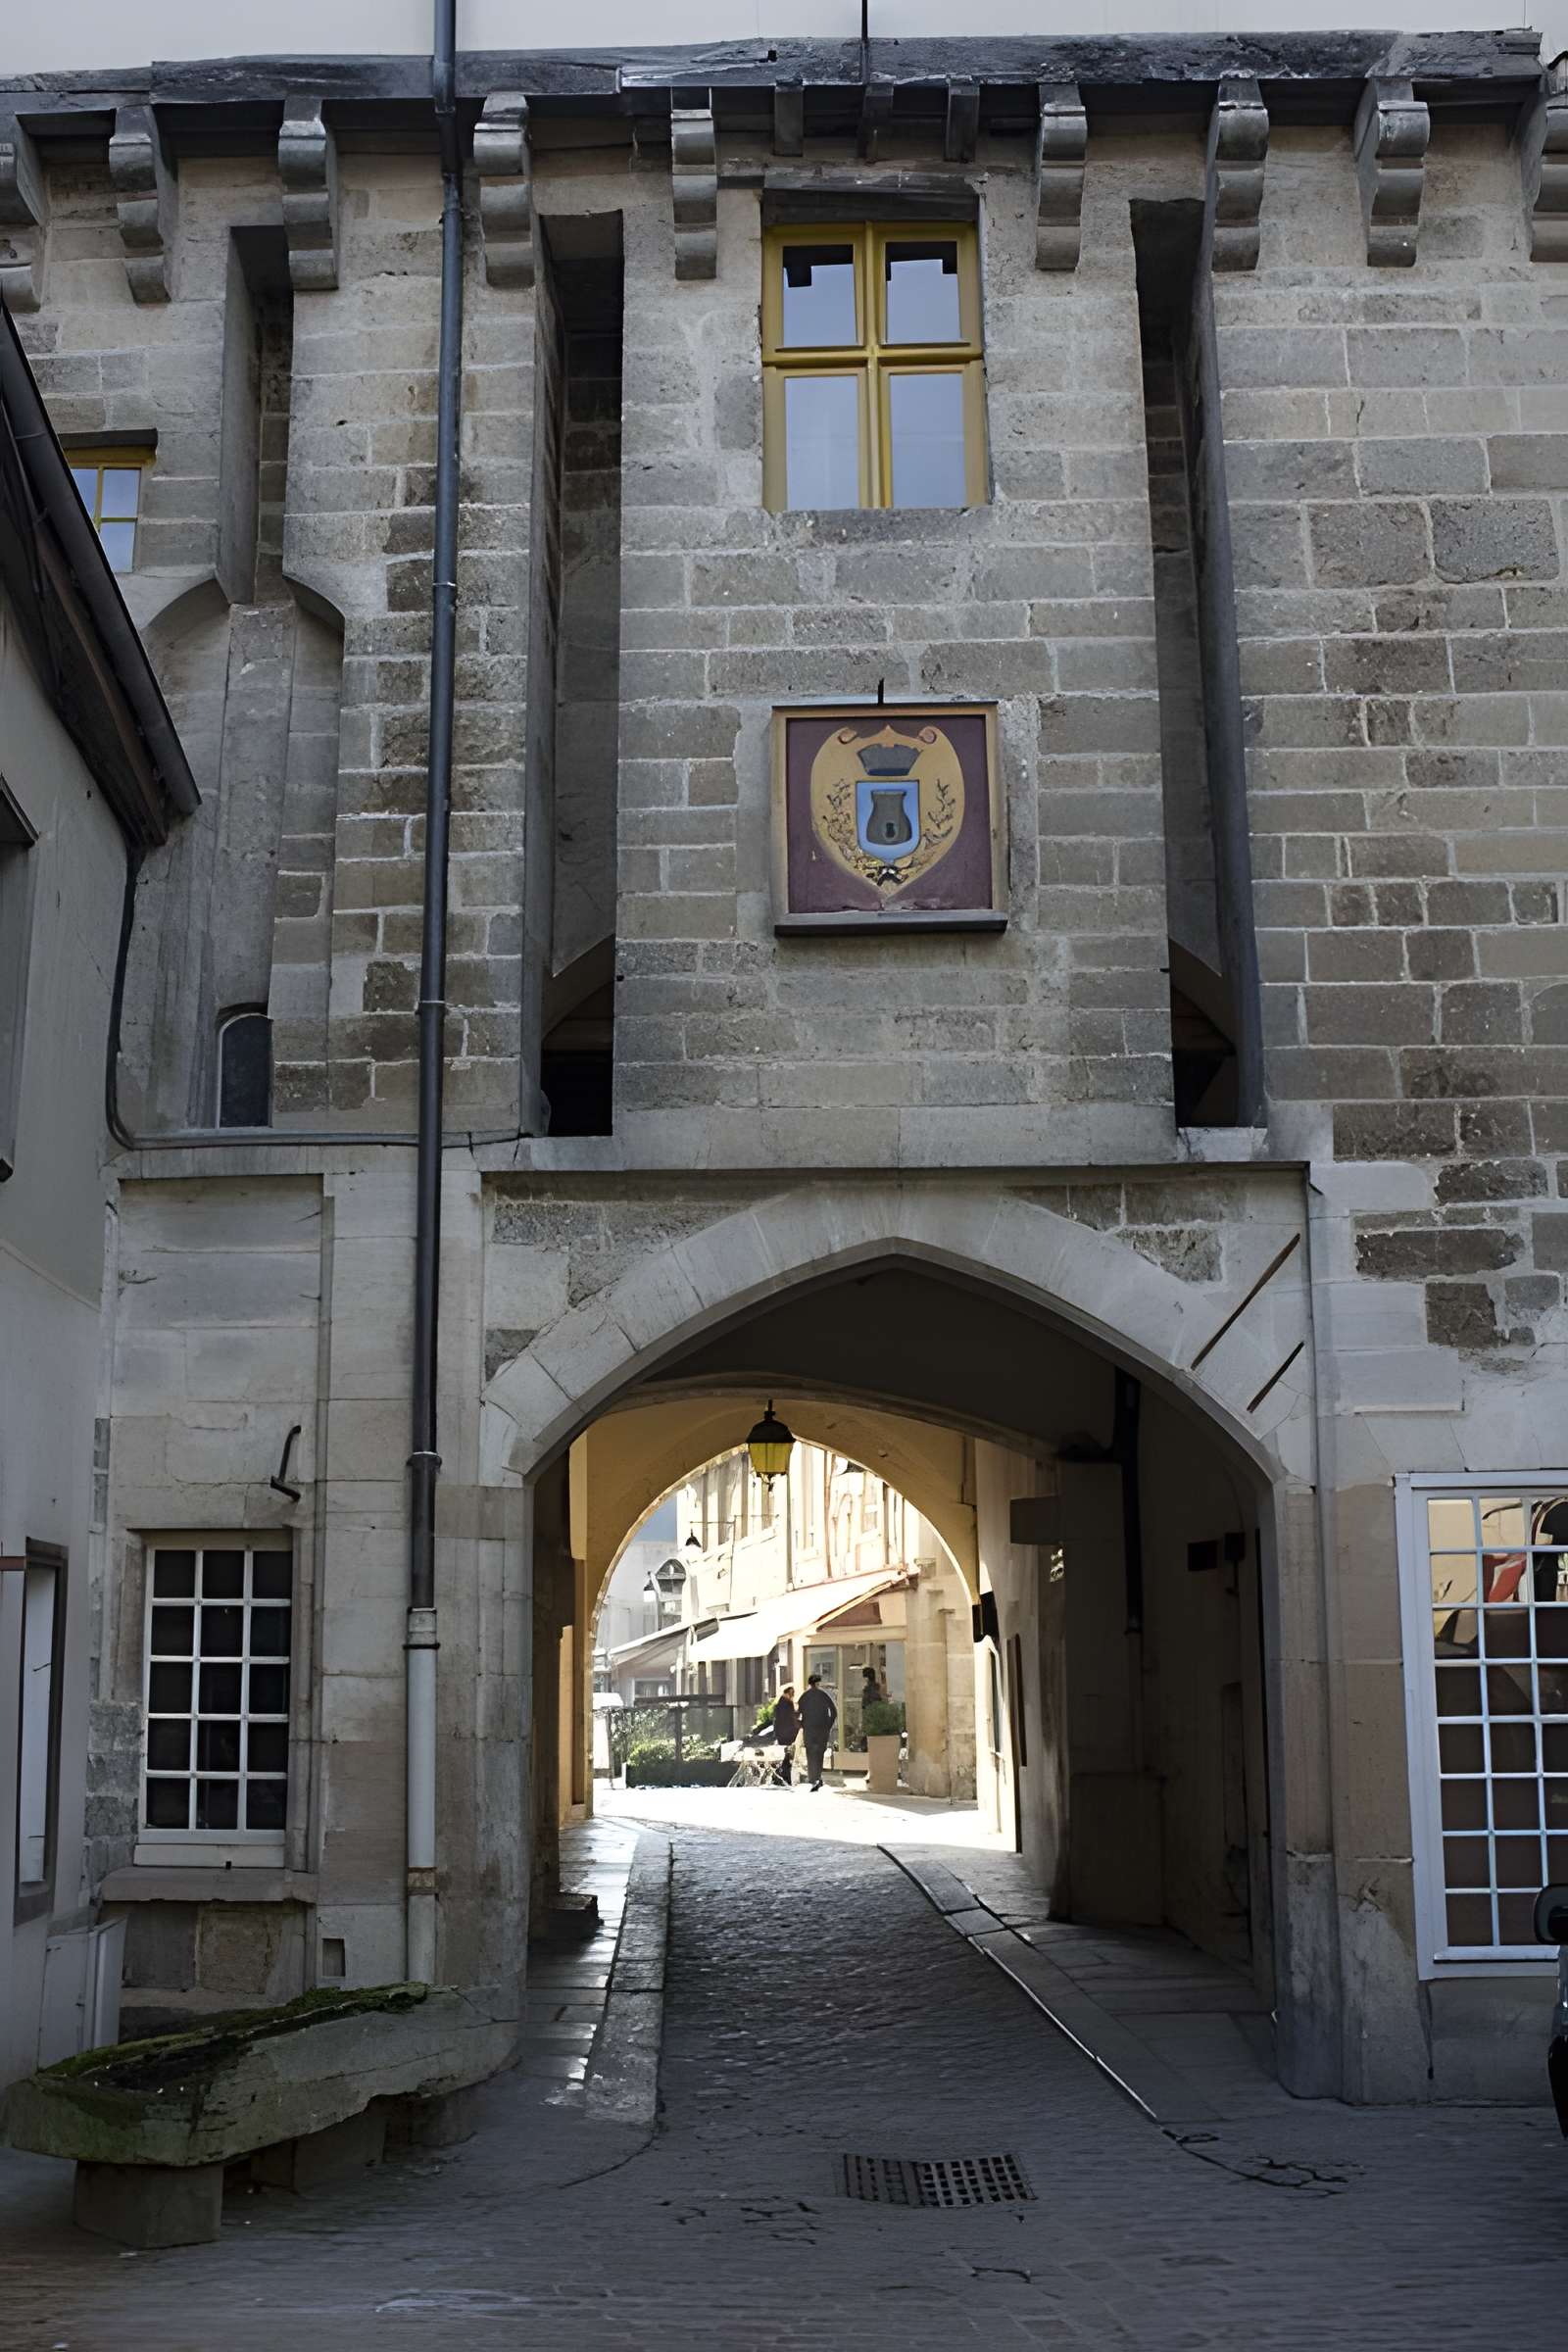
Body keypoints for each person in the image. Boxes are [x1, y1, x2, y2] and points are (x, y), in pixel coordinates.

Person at [798, 1673, 838, 1791]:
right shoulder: (823, 1695)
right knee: (819, 1753)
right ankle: (818, 1776)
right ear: (817, 1683)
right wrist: (828, 1725)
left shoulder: (804, 1696)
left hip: (809, 1730)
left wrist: (802, 1725)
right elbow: (833, 1712)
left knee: (810, 1753)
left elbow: (797, 1713)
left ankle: (812, 1777)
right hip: (822, 1729)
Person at [771, 1685, 799, 1786]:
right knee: (787, 1755)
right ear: (787, 1693)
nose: (793, 1695)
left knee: (786, 1755)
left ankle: (781, 1776)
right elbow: (790, 1718)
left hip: (782, 1734)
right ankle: (784, 1776)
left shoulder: (780, 1704)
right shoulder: (786, 1703)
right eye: (791, 1693)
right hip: (787, 1734)